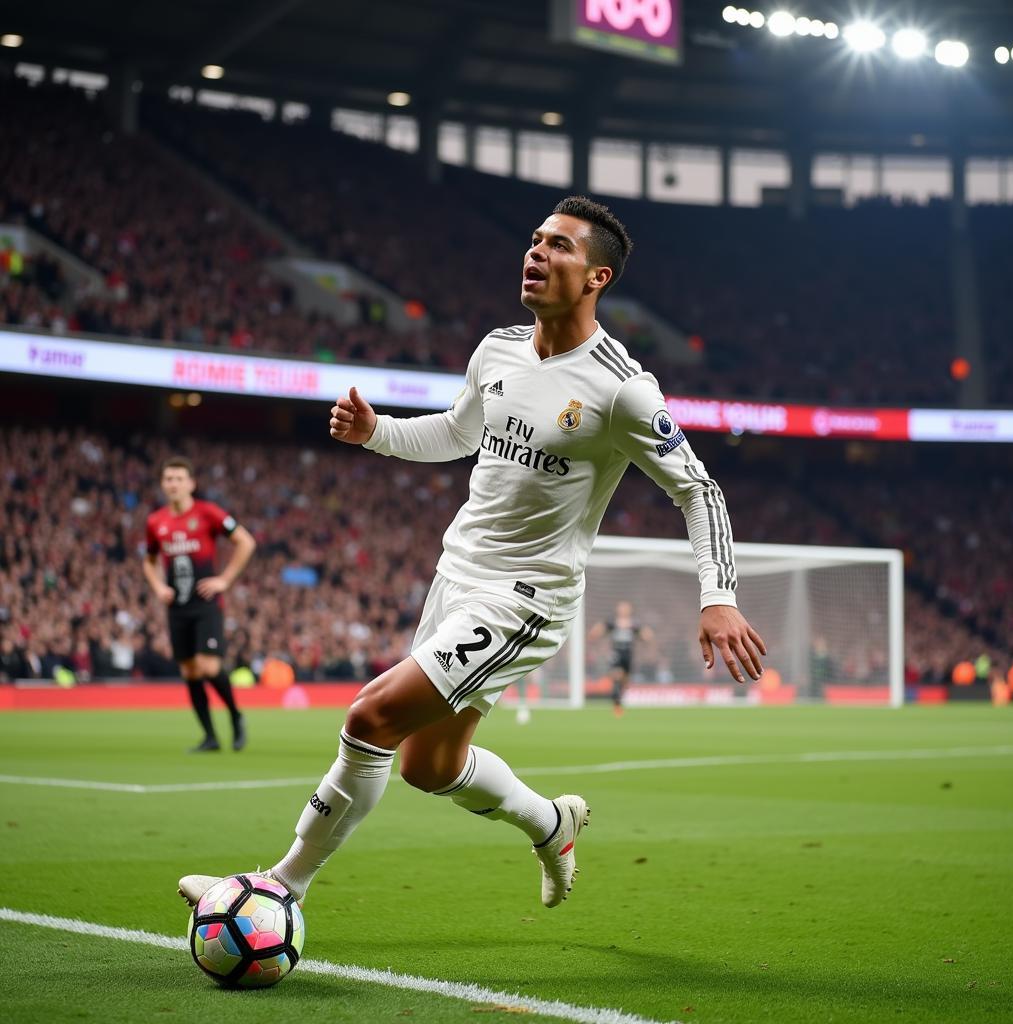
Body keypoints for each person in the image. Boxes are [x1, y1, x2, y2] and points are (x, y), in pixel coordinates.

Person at [179, 195, 765, 912]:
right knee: (431, 766)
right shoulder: (497, 349)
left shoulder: (623, 389)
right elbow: (460, 433)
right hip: (456, 578)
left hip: (525, 598)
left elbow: (699, 490)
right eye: (533, 240)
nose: (536, 253)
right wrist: (377, 433)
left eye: (559, 247)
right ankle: (552, 824)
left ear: (596, 279)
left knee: (370, 719)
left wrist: (719, 596)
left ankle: (278, 888)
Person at [144, 456, 256, 752]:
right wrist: (158, 587)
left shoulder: (207, 513)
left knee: (208, 666)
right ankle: (210, 737)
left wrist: (225, 580)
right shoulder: (156, 521)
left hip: (206, 603)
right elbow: (150, 560)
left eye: (179, 478)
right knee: (190, 671)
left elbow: (245, 541)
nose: (174, 484)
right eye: (169, 479)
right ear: (162, 484)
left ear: (191, 483)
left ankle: (235, 715)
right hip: (177, 606)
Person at [588, 600, 655, 715]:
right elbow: (599, 629)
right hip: (616, 652)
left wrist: (646, 637)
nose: (623, 610)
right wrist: (594, 634)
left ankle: (619, 697)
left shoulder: (633, 623)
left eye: (626, 608)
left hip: (628, 653)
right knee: (617, 675)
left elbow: (647, 634)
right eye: (621, 608)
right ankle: (616, 703)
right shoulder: (613, 622)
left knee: (625, 680)